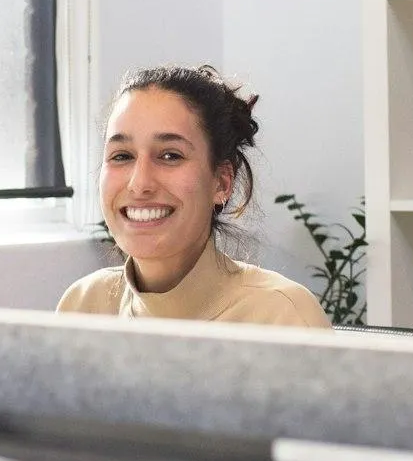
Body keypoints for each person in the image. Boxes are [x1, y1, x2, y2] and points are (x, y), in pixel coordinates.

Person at [57, 64, 330, 328]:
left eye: (170, 155)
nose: (139, 184)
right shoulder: (82, 306)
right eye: (122, 156)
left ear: (222, 183)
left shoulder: (282, 317)